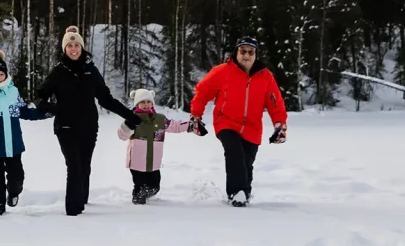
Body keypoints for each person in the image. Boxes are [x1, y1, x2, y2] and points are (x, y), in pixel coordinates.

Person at [35, 26, 141, 216]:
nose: (74, 49)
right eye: (70, 45)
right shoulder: (58, 72)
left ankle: (82, 199)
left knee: (84, 166)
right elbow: (39, 98)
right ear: (64, 49)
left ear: (82, 47)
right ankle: (73, 212)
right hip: (65, 126)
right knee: (74, 166)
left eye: (77, 45)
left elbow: (106, 99)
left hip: (89, 126)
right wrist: (54, 109)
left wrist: (129, 115)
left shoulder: (90, 71)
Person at [190, 36, 288, 207]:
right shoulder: (222, 71)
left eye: (250, 52)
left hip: (252, 128)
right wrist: (196, 116)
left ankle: (244, 195)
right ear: (236, 52)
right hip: (225, 122)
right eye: (243, 51)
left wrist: (279, 125)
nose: (246, 55)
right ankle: (236, 194)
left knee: (247, 164)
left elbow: (275, 103)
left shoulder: (265, 76)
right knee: (234, 153)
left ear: (256, 54)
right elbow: (202, 92)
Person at [0, 49, 50, 215]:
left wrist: (44, 113)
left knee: (17, 177)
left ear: (5, 75)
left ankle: (13, 193)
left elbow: (24, 112)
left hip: (14, 144)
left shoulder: (13, 92)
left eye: (1, 74)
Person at [116, 88, 203, 205]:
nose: (146, 104)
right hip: (137, 162)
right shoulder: (133, 118)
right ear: (137, 104)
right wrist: (128, 125)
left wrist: (192, 125)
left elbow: (175, 126)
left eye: (148, 102)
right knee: (139, 186)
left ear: (152, 103)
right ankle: (138, 203)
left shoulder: (160, 119)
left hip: (153, 162)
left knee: (154, 187)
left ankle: (145, 195)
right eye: (142, 102)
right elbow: (122, 135)